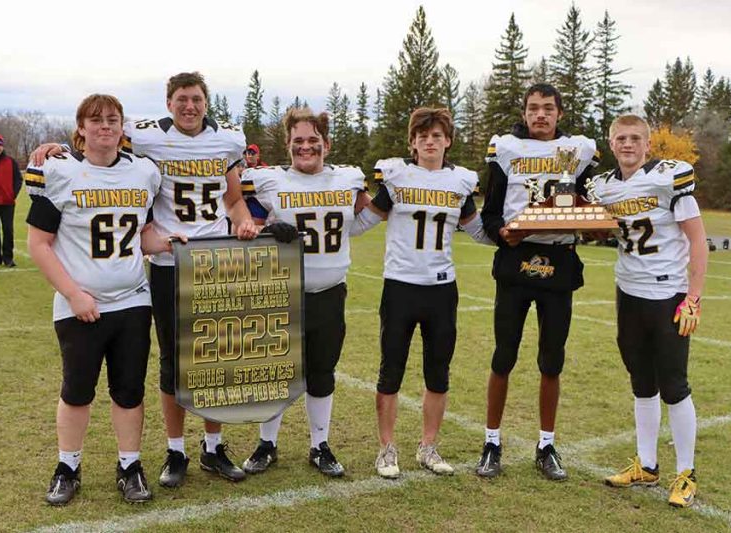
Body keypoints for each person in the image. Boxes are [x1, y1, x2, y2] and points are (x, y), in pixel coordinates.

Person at [31, 72, 259, 488]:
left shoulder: (226, 140)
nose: (189, 106)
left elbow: (235, 199)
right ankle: (174, 450)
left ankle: (211, 447)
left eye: (196, 99)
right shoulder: (141, 138)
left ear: (206, 102)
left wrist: (243, 223)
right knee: (170, 363)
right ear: (168, 103)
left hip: (216, 263)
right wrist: (59, 148)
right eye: (181, 99)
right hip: (169, 268)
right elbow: (96, 151)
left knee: (215, 360)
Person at [28, 93, 173, 506]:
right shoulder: (59, 171)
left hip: (131, 300)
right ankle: (67, 466)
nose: (105, 126)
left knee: (129, 391)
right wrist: (73, 294)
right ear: (81, 129)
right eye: (96, 120)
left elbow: (140, 232)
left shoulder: (143, 173)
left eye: (112, 119)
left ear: (122, 127)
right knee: (77, 390)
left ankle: (130, 465)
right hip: (80, 304)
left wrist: (165, 244)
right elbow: (39, 244)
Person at [349, 108, 489, 478]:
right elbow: (363, 224)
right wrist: (330, 212)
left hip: (442, 289)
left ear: (448, 141)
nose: (430, 140)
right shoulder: (397, 177)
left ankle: (428, 446)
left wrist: (520, 232)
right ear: (412, 142)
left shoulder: (460, 182)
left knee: (438, 373)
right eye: (423, 135)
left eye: (437, 135)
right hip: (400, 285)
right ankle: (386, 449)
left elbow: (478, 231)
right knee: (389, 371)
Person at [476, 83, 599, 481]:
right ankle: (491, 441)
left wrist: (594, 226)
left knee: (552, 359)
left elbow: (586, 205)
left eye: (548, 108)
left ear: (559, 113)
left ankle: (547, 444)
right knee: (504, 355)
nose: (540, 115)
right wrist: (502, 234)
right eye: (533, 109)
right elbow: (490, 214)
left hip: (560, 262)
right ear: (525, 113)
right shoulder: (507, 149)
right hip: (515, 261)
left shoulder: (577, 151)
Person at [239, 107, 369, 478]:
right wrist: (267, 233)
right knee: (275, 372)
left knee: (322, 371)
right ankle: (267, 443)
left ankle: (319, 444)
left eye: (313, 140)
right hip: (283, 291)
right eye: (299, 140)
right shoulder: (268, 181)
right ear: (288, 143)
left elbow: (363, 219)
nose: (306, 146)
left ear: (326, 144)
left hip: (330, 290)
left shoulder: (348, 179)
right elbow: (245, 227)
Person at [593, 114, 707, 508]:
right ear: (611, 143)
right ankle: (647, 464)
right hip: (629, 293)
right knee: (641, 381)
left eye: (635, 138)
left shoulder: (669, 179)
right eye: (621, 138)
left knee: (674, 385)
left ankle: (687, 474)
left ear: (647, 144)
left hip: (667, 296)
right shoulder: (604, 187)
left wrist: (694, 297)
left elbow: (698, 241)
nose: (627, 144)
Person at [0, 134, 23, 267]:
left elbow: (18, 179)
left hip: (7, 203)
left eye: (0, 145)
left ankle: (8, 258)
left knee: (8, 230)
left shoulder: (10, 161)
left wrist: (12, 194)